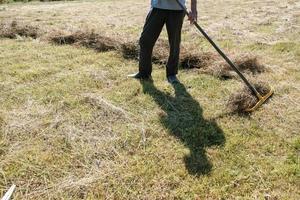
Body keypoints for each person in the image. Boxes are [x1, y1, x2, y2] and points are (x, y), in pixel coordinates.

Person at [128, 0, 198, 84]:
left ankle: (171, 74)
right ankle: (144, 72)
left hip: (177, 10)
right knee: (145, 40)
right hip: (157, 7)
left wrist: (193, 10)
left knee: (174, 43)